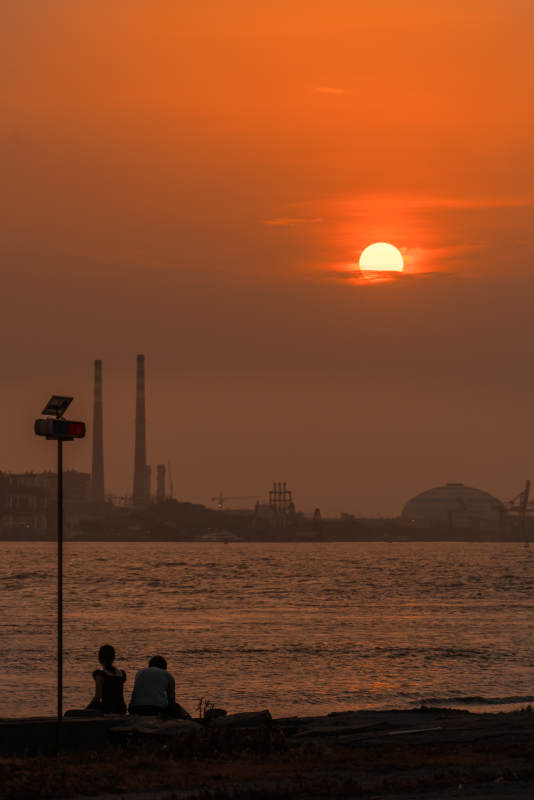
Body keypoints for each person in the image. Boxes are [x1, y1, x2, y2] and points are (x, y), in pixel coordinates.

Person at [86, 644, 127, 715]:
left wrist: (86, 709)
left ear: (99, 658)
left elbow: (98, 696)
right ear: (114, 658)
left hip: (107, 708)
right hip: (121, 708)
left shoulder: (99, 674)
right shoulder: (122, 674)